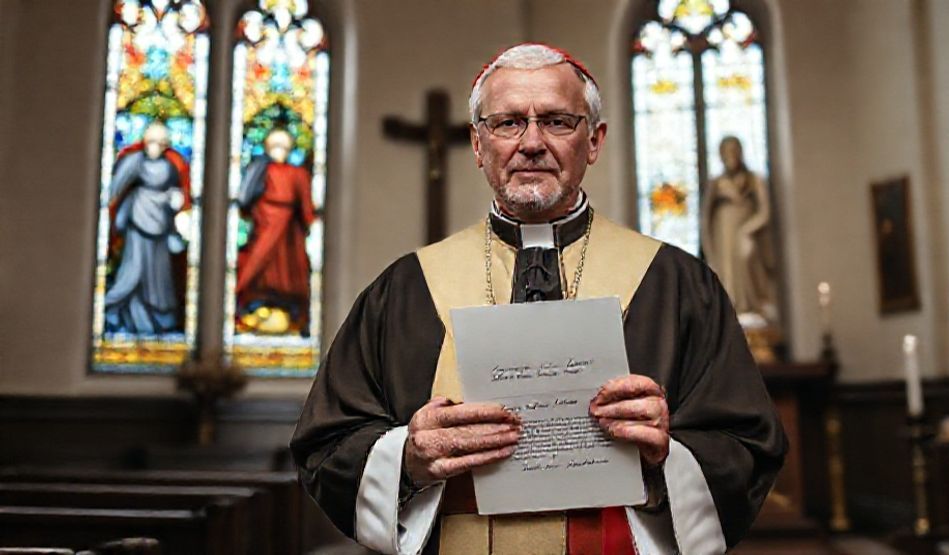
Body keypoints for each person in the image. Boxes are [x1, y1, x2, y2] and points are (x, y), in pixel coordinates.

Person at [291, 43, 786, 555]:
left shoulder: (678, 284)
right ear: (478, 145)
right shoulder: (404, 290)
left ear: (593, 141)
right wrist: (409, 458)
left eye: (556, 121)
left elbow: (745, 448)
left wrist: (667, 455)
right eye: (507, 123)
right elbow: (326, 446)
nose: (531, 143)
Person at [104, 121, 190, 334]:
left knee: (158, 274)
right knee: (134, 270)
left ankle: (160, 318)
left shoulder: (170, 166)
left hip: (161, 225)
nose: (156, 147)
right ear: (145, 143)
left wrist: (175, 199)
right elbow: (117, 186)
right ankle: (122, 312)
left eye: (161, 143)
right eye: (152, 142)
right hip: (138, 220)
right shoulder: (135, 161)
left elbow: (175, 190)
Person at [235, 128, 316, 335]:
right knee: (257, 263)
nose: (279, 151)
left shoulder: (297, 173)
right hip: (264, 224)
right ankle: (253, 306)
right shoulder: (261, 169)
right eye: (274, 146)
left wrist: (308, 221)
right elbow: (246, 198)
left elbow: (305, 203)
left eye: (283, 147)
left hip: (289, 231)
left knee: (288, 270)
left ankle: (290, 312)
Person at [701, 136, 777, 323]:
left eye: (735, 150)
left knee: (747, 262)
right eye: (727, 151)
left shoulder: (754, 180)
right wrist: (709, 252)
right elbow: (705, 218)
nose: (731, 155)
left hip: (746, 233)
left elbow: (765, 211)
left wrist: (747, 229)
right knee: (727, 272)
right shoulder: (716, 183)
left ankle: (750, 307)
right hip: (723, 235)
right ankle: (732, 308)